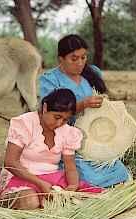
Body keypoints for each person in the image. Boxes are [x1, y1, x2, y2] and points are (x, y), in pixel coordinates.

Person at [39, 34, 130, 188]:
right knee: (88, 178)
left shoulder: (92, 73)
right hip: (66, 140)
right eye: (74, 59)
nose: (80, 63)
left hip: (95, 137)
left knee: (120, 172)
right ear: (61, 59)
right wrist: (82, 105)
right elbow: (49, 113)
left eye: (83, 57)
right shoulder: (50, 80)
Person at [1, 88, 103, 210]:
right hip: (21, 178)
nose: (60, 123)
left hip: (52, 180)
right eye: (57, 117)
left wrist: (73, 186)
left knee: (93, 198)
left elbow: (70, 167)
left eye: (65, 119)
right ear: (45, 108)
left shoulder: (67, 132)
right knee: (30, 201)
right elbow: (10, 162)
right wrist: (40, 183)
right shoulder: (25, 123)